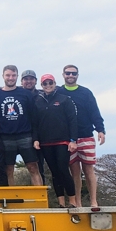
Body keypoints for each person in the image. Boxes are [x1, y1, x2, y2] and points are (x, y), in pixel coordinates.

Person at [62, 65, 106, 212]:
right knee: (74, 171)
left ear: (77, 75)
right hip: (68, 138)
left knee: (88, 169)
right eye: (68, 73)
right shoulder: (59, 92)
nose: (70, 75)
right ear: (63, 75)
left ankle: (94, 201)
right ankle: (78, 202)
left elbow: (94, 111)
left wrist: (100, 129)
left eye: (73, 73)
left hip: (86, 134)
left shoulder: (85, 93)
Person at [32, 74, 79, 208]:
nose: (48, 85)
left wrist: (73, 140)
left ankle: (72, 201)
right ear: (41, 85)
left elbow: (72, 120)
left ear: (54, 83)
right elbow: (34, 123)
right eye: (45, 83)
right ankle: (61, 203)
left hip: (63, 141)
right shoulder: (37, 101)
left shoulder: (64, 99)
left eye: (50, 82)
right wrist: (35, 139)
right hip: (45, 142)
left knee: (63, 169)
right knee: (54, 172)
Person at [0, 66, 43, 186]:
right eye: (8, 75)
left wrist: (35, 138)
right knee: (8, 169)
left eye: (13, 75)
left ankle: (40, 199)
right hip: (5, 136)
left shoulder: (25, 94)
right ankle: (11, 200)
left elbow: (34, 118)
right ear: (3, 76)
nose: (11, 78)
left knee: (33, 167)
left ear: (17, 77)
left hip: (25, 135)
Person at [20, 69, 46, 181]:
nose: (29, 81)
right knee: (29, 167)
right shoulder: (17, 94)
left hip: (41, 134)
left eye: (31, 79)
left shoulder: (43, 95)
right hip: (22, 134)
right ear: (21, 81)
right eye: (26, 79)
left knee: (39, 168)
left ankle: (43, 196)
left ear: (36, 81)